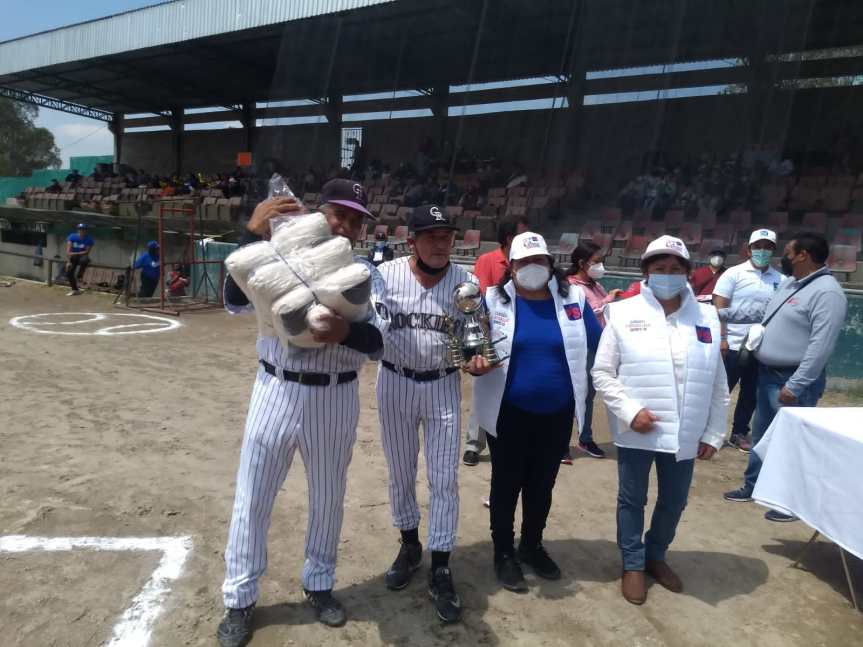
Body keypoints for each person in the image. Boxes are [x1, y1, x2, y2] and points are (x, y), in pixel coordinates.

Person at [217, 179, 387, 645]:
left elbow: (378, 341)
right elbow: (232, 302)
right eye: (340, 214)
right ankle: (240, 598)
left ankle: (319, 584)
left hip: (335, 394)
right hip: (275, 388)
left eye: (356, 219)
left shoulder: (366, 271)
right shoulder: (274, 260)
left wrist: (345, 333)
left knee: (328, 497)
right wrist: (252, 234)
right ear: (319, 213)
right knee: (252, 498)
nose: (347, 226)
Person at [592, 235, 729, 605]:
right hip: (639, 429)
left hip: (686, 431)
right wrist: (629, 411)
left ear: (687, 273)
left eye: (675, 269)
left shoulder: (707, 316)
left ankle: (656, 555)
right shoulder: (622, 312)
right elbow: (602, 373)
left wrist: (715, 432)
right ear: (646, 273)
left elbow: (718, 380)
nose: (667, 275)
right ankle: (633, 564)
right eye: (659, 268)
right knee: (632, 498)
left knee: (674, 501)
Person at [471, 232, 601, 592]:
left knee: (542, 485)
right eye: (524, 262)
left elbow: (600, 342)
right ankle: (503, 552)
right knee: (506, 484)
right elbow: (471, 346)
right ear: (510, 267)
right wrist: (474, 362)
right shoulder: (491, 301)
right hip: (508, 411)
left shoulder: (573, 298)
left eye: (539, 261)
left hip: (557, 412)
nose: (532, 268)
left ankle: (532, 545)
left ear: (550, 264)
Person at [374, 204, 476, 623]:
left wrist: (476, 357)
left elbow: (475, 337)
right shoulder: (385, 274)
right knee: (400, 470)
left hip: (442, 385)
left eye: (446, 235)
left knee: (443, 479)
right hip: (394, 380)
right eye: (430, 235)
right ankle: (410, 543)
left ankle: (441, 564)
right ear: (411, 241)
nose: (440, 243)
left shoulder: (466, 282)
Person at [723, 232, 848, 520]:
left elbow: (821, 346)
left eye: (789, 253)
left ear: (803, 255)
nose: (784, 258)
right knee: (763, 436)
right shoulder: (792, 284)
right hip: (769, 375)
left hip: (792, 381)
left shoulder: (827, 292)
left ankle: (790, 503)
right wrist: (717, 313)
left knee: (794, 443)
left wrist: (797, 384)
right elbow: (760, 312)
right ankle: (754, 486)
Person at [463, 216, 529, 467]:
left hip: (521, 334)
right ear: (509, 237)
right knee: (486, 389)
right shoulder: (488, 261)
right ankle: (473, 444)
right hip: (492, 333)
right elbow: (480, 298)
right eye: (521, 233)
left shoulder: (525, 262)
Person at [712, 230, 784, 453]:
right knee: (721, 391)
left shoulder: (780, 279)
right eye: (758, 246)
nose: (763, 250)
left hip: (761, 346)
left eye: (768, 246)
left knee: (751, 392)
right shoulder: (733, 274)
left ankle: (739, 432)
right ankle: (708, 432)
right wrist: (723, 338)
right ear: (749, 248)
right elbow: (719, 307)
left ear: (773, 250)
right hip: (732, 344)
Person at [564, 242, 624, 461]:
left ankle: (585, 437)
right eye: (596, 261)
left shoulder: (595, 285)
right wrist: (608, 300)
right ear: (582, 263)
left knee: (588, 394)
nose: (600, 266)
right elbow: (580, 312)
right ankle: (561, 443)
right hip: (581, 346)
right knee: (573, 393)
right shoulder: (571, 286)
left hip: (599, 345)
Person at [65, 223, 94, 296]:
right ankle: (75, 290)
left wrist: (75, 253)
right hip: (73, 257)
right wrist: (68, 261)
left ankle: (79, 276)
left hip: (82, 257)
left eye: (83, 229)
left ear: (85, 230)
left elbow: (87, 252)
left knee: (85, 260)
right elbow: (68, 251)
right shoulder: (72, 236)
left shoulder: (88, 239)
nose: (82, 231)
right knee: (69, 272)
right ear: (78, 230)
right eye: (80, 229)